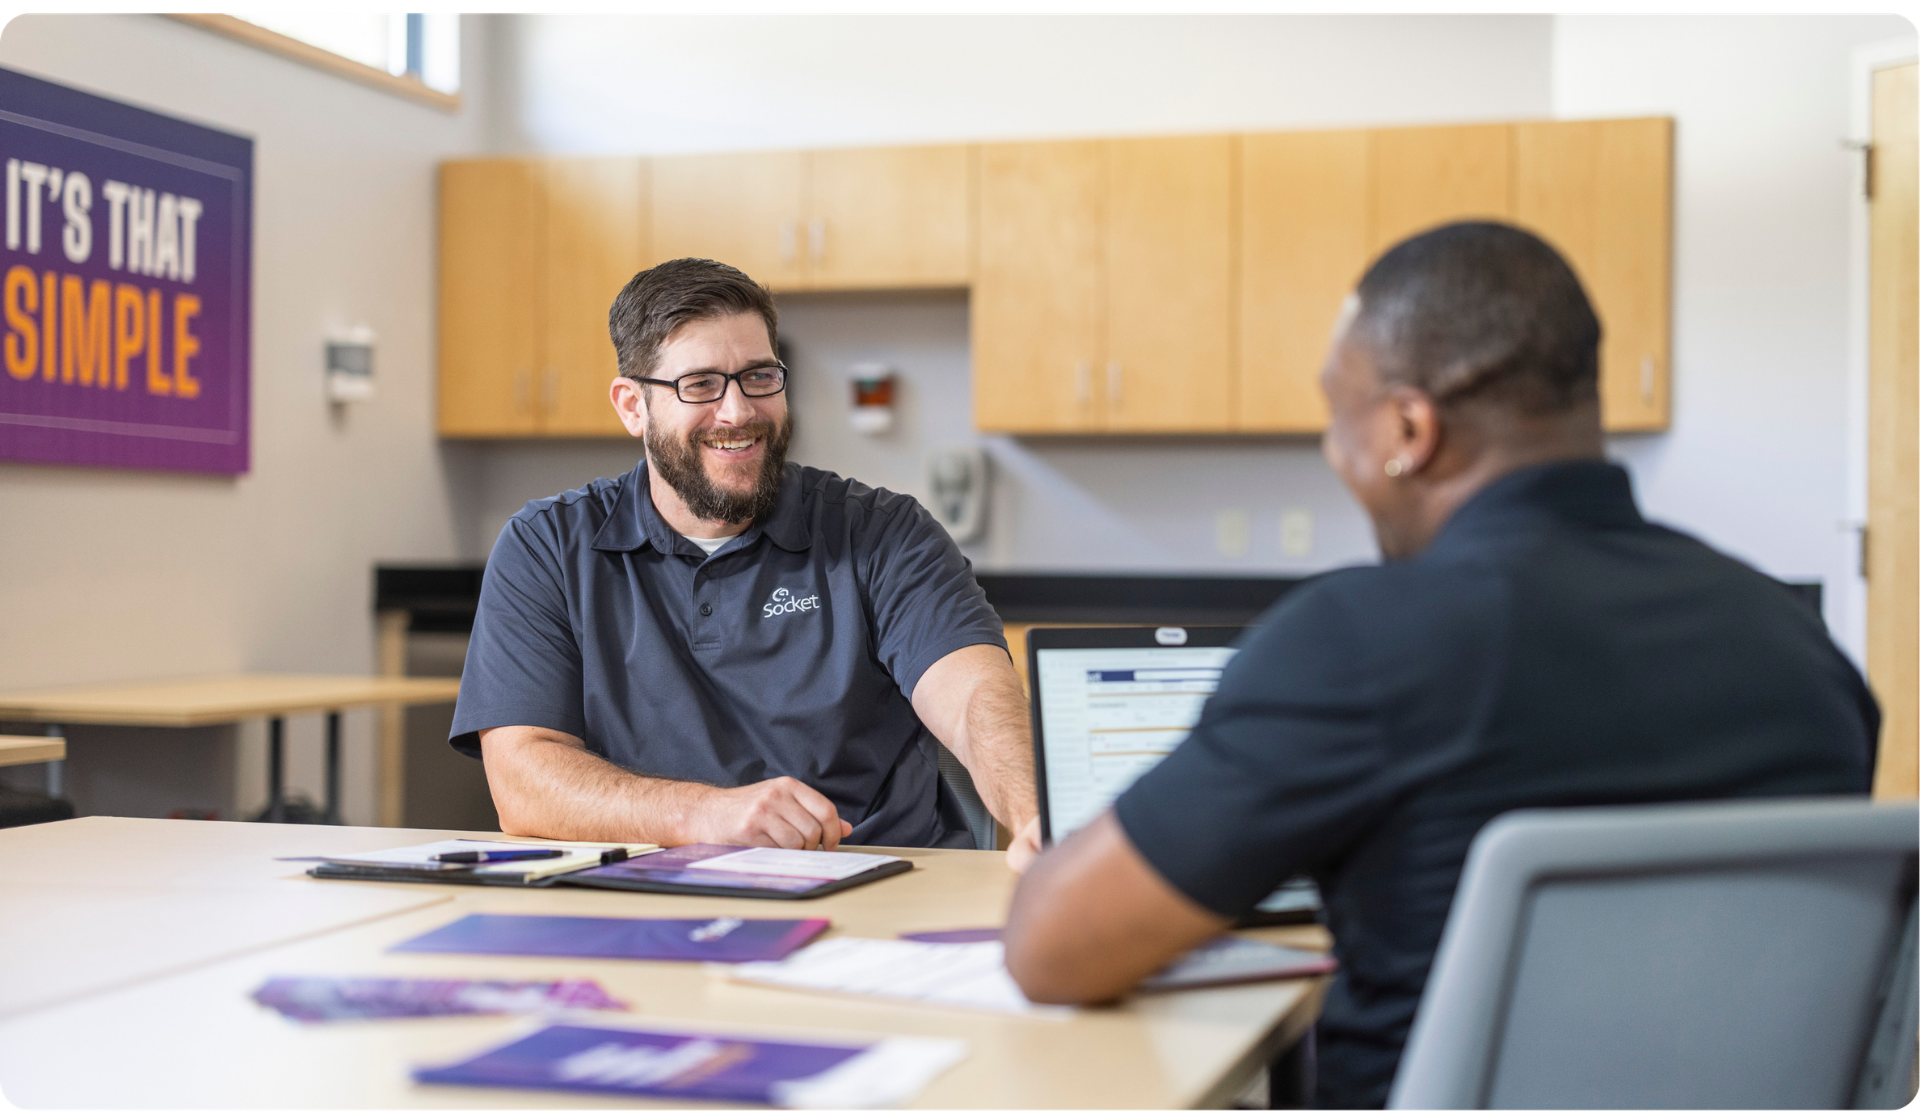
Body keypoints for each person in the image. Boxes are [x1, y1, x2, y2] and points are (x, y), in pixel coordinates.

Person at [1001, 222, 1877, 1108]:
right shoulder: (1804, 652)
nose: (1331, 450)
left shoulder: (1360, 641)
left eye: (1335, 415)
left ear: (1407, 429)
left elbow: (1052, 949)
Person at [451, 257, 1040, 865]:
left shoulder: (885, 533)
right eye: (700, 384)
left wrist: (1036, 814)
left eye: (760, 376)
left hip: (877, 879)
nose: (738, 412)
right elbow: (522, 781)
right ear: (632, 406)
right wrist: (706, 815)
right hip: (649, 896)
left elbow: (976, 697)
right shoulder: (547, 547)